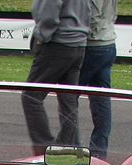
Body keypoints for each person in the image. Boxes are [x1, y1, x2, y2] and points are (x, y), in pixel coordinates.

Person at [22, 0, 91, 154]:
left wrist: (41, 35)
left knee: (31, 96)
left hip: (57, 43)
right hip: (78, 43)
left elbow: (48, 14)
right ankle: (66, 147)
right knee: (69, 100)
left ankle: (44, 149)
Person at [78, 0, 116, 159]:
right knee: (101, 99)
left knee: (68, 95)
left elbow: (92, 16)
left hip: (92, 44)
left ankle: (70, 146)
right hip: (108, 42)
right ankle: (99, 152)